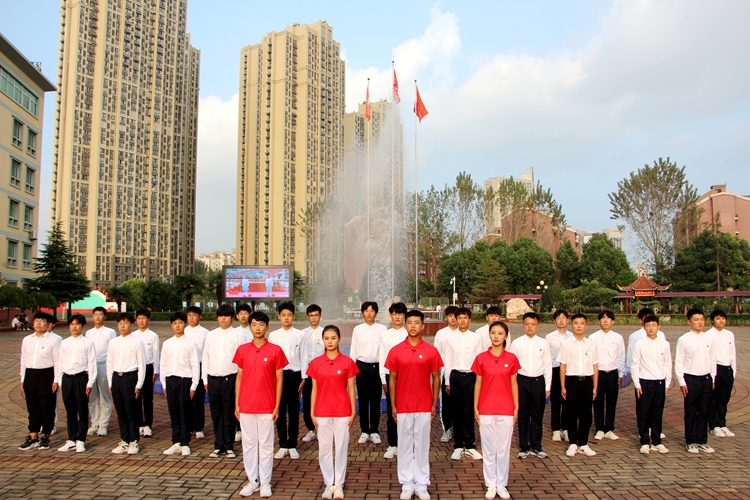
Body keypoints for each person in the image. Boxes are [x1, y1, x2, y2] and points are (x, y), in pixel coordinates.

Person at [385, 310, 442, 500]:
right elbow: (392, 379)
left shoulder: (431, 351)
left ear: (422, 326)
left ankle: (422, 482)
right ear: (405, 325)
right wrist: (393, 404)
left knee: (422, 444)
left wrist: (434, 404)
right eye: (409, 322)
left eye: (416, 322)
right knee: (404, 444)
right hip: (403, 405)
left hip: (424, 405)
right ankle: (407, 483)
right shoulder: (396, 350)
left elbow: (436, 378)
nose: (412, 326)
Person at [234, 311, 288, 498]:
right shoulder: (242, 350)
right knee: (248, 444)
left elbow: (279, 380)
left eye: (261, 324)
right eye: (254, 324)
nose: (257, 328)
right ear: (250, 327)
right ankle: (252, 481)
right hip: (246, 405)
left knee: (265, 445)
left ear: (267, 327)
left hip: (266, 405)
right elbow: (239, 377)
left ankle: (265, 481)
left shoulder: (275, 350)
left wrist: (276, 406)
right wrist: (237, 404)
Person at [308, 325, 358, 500]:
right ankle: (329, 483)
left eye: (333, 338)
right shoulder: (315, 363)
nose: (330, 341)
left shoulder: (347, 363)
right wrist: (312, 412)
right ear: (323, 340)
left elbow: (352, 389)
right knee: (324, 449)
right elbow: (314, 390)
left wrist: (353, 412)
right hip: (322, 412)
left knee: (342, 448)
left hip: (342, 411)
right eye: (327, 338)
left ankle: (339, 484)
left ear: (339, 339)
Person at [473, 321, 519, 500]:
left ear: (506, 336)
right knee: (489, 448)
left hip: (506, 408)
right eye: (493, 333)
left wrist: (516, 407)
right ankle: (491, 484)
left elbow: (514, 383)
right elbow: (478, 383)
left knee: (503, 448)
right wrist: (476, 407)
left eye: (500, 333)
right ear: (489, 335)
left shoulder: (512, 359)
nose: (497, 336)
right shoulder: (481, 358)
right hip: (486, 408)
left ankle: (502, 483)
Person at [203, 304, 246, 458]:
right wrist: (205, 379)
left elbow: (242, 360)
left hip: (231, 378)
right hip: (213, 378)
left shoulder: (238, 336)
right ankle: (218, 444)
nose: (223, 318)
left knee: (229, 413)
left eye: (226, 316)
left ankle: (229, 445)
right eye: (221, 316)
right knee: (216, 413)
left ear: (231, 318)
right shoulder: (210, 335)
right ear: (217, 317)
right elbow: (205, 357)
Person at [509, 312, 551, 459]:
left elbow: (547, 365)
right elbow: (513, 367)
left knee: (538, 414)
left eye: (533, 324)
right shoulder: (517, 343)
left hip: (538, 381)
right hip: (522, 380)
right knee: (523, 414)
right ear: (523, 325)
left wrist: (547, 386)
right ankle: (524, 446)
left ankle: (537, 446)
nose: (530, 327)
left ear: (537, 325)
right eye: (527, 324)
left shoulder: (543, 343)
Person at [269, 301, 308, 459]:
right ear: (279, 316)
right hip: (278, 375)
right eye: (283, 315)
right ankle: (282, 443)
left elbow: (303, 356)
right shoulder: (273, 335)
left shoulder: (300, 335)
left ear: (293, 316)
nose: (286, 318)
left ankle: (292, 444)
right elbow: (271, 358)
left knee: (293, 410)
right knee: (279, 410)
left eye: (289, 315)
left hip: (294, 375)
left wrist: (304, 377)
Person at [18, 312, 61, 451]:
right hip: (30, 374)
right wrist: (22, 378)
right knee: (32, 407)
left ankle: (46, 436)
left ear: (48, 324)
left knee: (47, 406)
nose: (38, 323)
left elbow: (58, 361)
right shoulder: (27, 339)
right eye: (36, 320)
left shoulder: (54, 339)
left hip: (47, 374)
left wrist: (56, 380)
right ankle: (33, 436)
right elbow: (23, 359)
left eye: (42, 321)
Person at [675, 308, 716, 454]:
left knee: (704, 411)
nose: (700, 322)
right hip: (691, 379)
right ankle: (690, 441)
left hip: (706, 378)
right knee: (691, 411)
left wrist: (712, 377)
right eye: (696, 319)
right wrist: (682, 381)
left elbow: (712, 360)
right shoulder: (684, 339)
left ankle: (702, 440)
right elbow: (679, 362)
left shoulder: (709, 338)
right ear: (689, 322)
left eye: (702, 319)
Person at [444, 306, 483, 460]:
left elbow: (479, 360)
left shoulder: (476, 338)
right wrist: (448, 381)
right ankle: (458, 445)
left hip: (471, 376)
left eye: (465, 318)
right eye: (459, 318)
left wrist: (480, 379)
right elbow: (448, 361)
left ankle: (470, 444)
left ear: (469, 320)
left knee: (469, 411)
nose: (461, 320)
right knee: (457, 411)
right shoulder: (451, 338)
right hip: (455, 376)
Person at [160, 311, 200, 457]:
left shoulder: (190, 343)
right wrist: (164, 383)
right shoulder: (167, 344)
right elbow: (163, 364)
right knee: (174, 412)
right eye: (175, 323)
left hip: (185, 380)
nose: (178, 325)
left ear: (185, 324)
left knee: (185, 412)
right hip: (171, 380)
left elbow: (195, 365)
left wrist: (194, 385)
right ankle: (175, 442)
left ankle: (185, 443)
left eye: (180, 323)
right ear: (171, 325)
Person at [558, 313, 598, 457]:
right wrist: (563, 386)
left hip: (587, 381)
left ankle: (584, 443)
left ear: (586, 326)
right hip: (571, 381)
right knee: (572, 413)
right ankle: (573, 443)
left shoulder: (591, 344)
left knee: (586, 414)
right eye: (576, 323)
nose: (579, 326)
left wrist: (595, 386)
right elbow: (563, 366)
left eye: (582, 323)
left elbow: (595, 367)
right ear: (572, 325)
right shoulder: (566, 344)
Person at [56, 315, 97, 453]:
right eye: (72, 324)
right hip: (67, 379)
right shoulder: (64, 343)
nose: (74, 327)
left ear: (83, 326)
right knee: (70, 410)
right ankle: (71, 439)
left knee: (82, 409)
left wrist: (90, 382)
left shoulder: (87, 343)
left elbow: (92, 364)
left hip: (81, 378)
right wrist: (59, 380)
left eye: (77, 324)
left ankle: (81, 440)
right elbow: (60, 362)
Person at [631, 314, 671, 454]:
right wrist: (637, 384)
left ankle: (657, 441)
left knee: (657, 412)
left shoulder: (664, 344)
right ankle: (644, 441)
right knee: (643, 412)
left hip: (659, 381)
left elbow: (667, 364)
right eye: (648, 325)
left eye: (654, 325)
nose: (651, 328)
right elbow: (635, 365)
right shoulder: (640, 344)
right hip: (644, 382)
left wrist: (666, 384)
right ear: (644, 327)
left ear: (658, 327)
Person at [107, 312, 147, 455]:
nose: (122, 326)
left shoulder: (136, 342)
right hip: (117, 378)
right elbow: (110, 363)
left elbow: (142, 365)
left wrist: (139, 384)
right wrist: (110, 382)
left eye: (125, 323)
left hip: (131, 378)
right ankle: (124, 440)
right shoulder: (113, 342)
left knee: (132, 411)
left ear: (131, 324)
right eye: (120, 323)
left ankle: (134, 441)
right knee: (121, 411)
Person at [349, 301, 387, 445]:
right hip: (361, 367)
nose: (369, 313)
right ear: (362, 313)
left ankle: (375, 430)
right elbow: (353, 350)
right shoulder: (358, 329)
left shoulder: (382, 329)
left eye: (372, 311)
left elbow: (384, 351)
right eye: (366, 311)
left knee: (375, 399)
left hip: (376, 367)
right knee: (363, 400)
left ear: (376, 313)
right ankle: (364, 430)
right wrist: (352, 372)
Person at [589, 310, 625, 441]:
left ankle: (609, 428)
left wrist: (621, 374)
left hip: (612, 373)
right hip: (598, 374)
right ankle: (599, 428)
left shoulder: (618, 338)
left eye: (608, 319)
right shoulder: (593, 337)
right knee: (597, 401)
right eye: (603, 319)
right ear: (599, 321)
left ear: (612, 321)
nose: (605, 321)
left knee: (611, 401)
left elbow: (621, 356)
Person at [379, 302, 409, 459]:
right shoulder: (385, 335)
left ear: (404, 315)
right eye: (395, 314)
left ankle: (406, 443)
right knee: (392, 411)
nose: (397, 316)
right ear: (390, 315)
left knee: (407, 410)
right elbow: (382, 357)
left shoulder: (409, 334)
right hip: (391, 376)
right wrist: (383, 378)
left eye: (400, 314)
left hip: (408, 377)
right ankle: (392, 444)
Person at [86, 306, 117, 436]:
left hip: (104, 365)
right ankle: (95, 422)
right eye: (95, 314)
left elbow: (113, 351)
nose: (98, 317)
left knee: (104, 396)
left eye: (100, 314)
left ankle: (103, 424)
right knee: (92, 397)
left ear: (104, 316)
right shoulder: (88, 333)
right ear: (92, 316)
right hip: (91, 366)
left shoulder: (110, 332)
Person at [707, 309, 737, 438]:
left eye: (723, 318)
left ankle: (722, 423)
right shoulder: (708, 335)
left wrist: (733, 371)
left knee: (724, 398)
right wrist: (712, 375)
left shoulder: (729, 334)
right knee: (713, 398)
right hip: (715, 369)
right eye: (718, 318)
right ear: (713, 320)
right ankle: (713, 426)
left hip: (727, 369)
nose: (721, 321)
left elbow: (732, 353)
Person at [132, 309, 160, 438]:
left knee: (148, 398)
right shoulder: (132, 336)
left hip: (148, 368)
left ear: (148, 320)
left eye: (144, 318)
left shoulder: (153, 336)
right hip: (135, 369)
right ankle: (139, 424)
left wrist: (155, 371)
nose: (141, 321)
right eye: (139, 318)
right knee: (136, 397)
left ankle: (148, 424)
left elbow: (155, 355)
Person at [546, 309, 572, 442]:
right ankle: (556, 430)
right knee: (555, 401)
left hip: (569, 371)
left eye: (563, 317)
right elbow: (547, 357)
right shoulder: (550, 337)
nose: (561, 320)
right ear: (554, 321)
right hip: (555, 370)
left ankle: (566, 428)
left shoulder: (572, 336)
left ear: (567, 320)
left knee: (567, 401)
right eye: (558, 318)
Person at [433, 305, 458, 443]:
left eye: (456, 316)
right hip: (446, 373)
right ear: (446, 318)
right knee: (446, 404)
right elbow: (436, 354)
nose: (453, 319)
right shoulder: (441, 334)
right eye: (450, 316)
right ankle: (446, 429)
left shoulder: (464, 334)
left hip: (462, 373)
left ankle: (460, 429)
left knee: (461, 403)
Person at [185, 306, 209, 439]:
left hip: (199, 366)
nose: (191, 318)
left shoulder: (206, 333)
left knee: (198, 399)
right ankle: (189, 426)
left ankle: (199, 427)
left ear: (200, 316)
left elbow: (207, 354)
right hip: (186, 368)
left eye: (194, 315)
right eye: (189, 315)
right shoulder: (183, 331)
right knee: (187, 399)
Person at [302, 304, 324, 443]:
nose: (314, 318)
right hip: (307, 370)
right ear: (308, 317)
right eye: (311, 315)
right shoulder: (302, 333)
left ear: (320, 316)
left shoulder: (325, 332)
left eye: (316, 315)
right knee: (308, 400)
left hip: (322, 371)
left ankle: (322, 429)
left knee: (322, 399)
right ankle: (310, 429)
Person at [234, 303, 254, 442]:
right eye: (241, 313)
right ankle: (238, 428)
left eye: (246, 313)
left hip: (253, 370)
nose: (243, 316)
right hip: (238, 370)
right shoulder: (234, 332)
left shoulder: (254, 330)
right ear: (237, 316)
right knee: (238, 398)